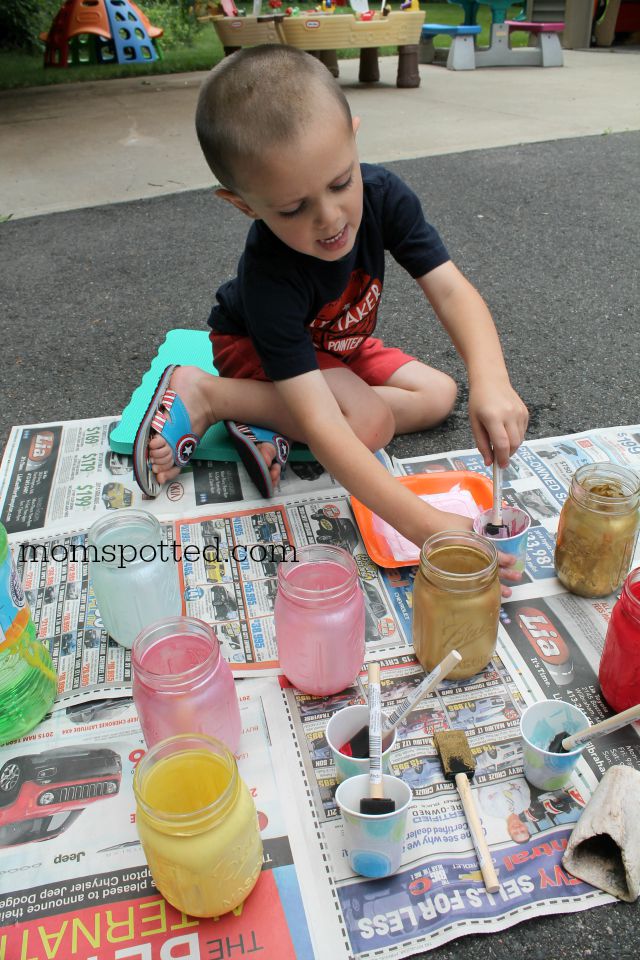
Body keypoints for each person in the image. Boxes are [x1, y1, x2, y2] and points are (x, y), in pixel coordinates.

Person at [133, 46, 528, 589]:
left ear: (354, 138)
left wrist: (493, 380)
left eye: (341, 182)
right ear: (244, 205)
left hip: (337, 341)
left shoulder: (386, 194)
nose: (330, 218)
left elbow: (452, 292)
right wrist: (426, 525)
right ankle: (208, 395)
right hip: (252, 345)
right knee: (367, 424)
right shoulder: (269, 276)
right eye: (292, 209)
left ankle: (267, 420)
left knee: (441, 394)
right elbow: (324, 427)